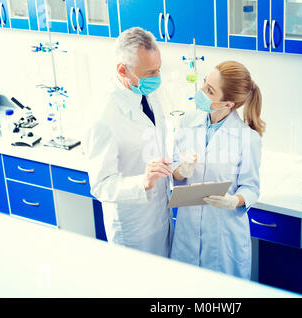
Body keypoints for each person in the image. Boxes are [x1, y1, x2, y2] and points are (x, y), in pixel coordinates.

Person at [83, 27, 173, 257]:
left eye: (158, 69)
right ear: (123, 70)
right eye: (150, 72)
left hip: (159, 215)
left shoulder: (145, 92)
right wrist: (143, 181)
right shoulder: (104, 115)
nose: (156, 78)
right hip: (133, 227)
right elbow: (101, 185)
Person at [171, 61, 265, 279]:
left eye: (209, 91)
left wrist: (235, 200)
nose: (201, 91)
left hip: (224, 238)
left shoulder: (247, 138)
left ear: (229, 104)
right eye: (205, 84)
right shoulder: (187, 122)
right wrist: (179, 171)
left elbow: (251, 187)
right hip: (187, 232)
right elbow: (173, 168)